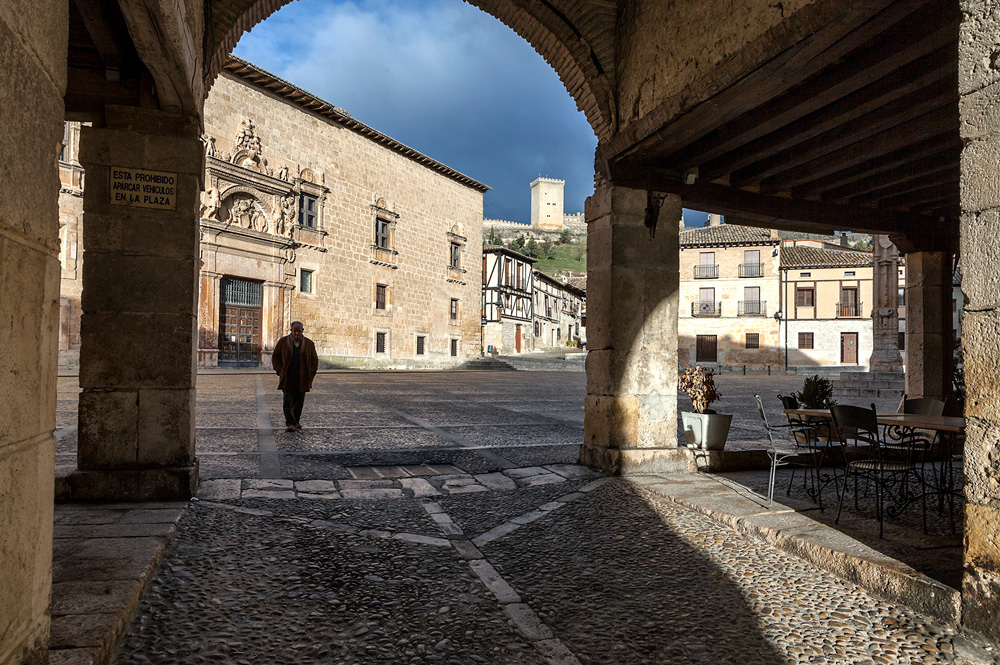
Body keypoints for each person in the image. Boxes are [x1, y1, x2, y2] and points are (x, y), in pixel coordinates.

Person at [271, 321, 319, 432]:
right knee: (288, 401)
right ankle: (290, 423)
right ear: (291, 331)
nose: (297, 333)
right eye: (295, 330)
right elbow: (275, 356)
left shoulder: (309, 344)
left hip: (302, 378)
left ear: (302, 331)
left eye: (299, 331)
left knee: (299, 401)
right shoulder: (283, 342)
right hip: (288, 377)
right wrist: (279, 370)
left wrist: (311, 373)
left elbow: (314, 360)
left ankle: (297, 421)